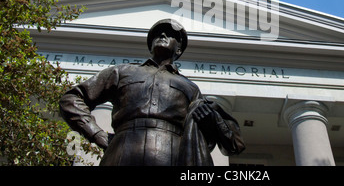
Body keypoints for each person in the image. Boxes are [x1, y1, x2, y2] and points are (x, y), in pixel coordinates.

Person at [59, 19, 245, 165]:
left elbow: (222, 142)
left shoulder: (189, 88)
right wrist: (96, 133)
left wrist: (209, 120)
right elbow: (72, 98)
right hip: (121, 152)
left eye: (170, 34)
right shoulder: (122, 72)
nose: (162, 34)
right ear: (149, 46)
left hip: (172, 156)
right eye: (157, 34)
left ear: (179, 49)